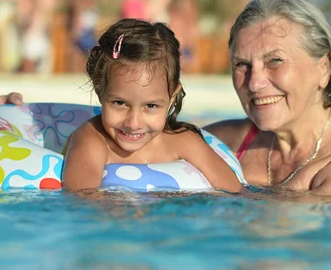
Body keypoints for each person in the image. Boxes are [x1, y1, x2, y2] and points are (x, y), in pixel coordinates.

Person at [0, 0, 331, 197]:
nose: (255, 82)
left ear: (324, 68)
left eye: (274, 61)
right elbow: (133, 124)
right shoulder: (230, 139)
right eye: (242, 64)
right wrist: (21, 116)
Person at [63, 18, 241, 192]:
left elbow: (234, 193)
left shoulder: (182, 142)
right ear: (100, 91)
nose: (133, 123)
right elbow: (83, 199)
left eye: (150, 106)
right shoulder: (92, 141)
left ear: (171, 98)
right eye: (120, 103)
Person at [67, 0, 100, 73]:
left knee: (76, 64)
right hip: (91, 32)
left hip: (80, 32)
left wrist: (73, 33)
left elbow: (77, 14)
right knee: (89, 65)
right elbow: (95, 15)